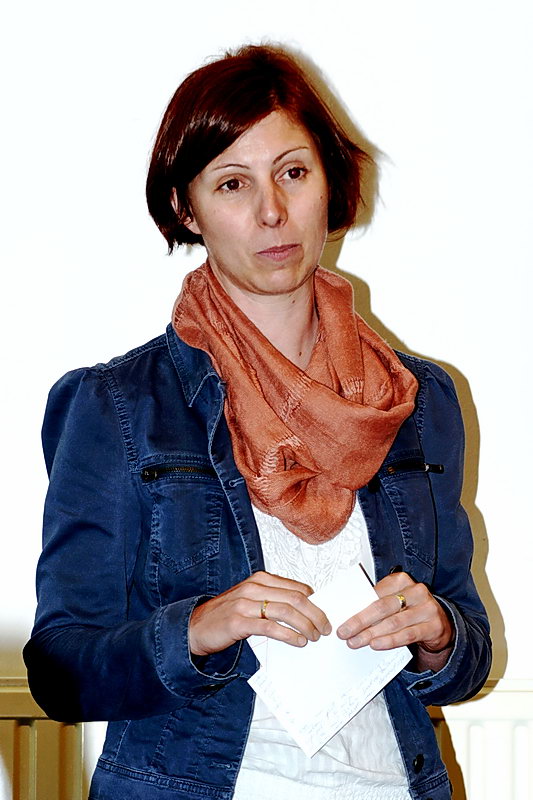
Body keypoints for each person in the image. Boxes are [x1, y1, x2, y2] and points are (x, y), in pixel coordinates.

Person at [24, 44, 491, 800]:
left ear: (329, 182)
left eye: (293, 173)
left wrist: (438, 633)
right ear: (186, 208)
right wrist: (196, 630)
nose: (272, 211)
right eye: (233, 183)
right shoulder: (117, 405)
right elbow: (60, 672)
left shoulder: (416, 400)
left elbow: (465, 649)